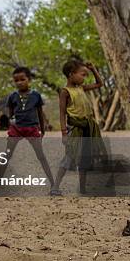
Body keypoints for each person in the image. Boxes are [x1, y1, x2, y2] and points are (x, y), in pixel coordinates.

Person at [51, 60, 105, 195]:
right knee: (69, 157)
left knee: (84, 159)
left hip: (87, 127)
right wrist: (63, 133)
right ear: (71, 74)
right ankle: (55, 187)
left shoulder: (82, 88)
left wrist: (93, 69)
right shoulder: (65, 92)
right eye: (82, 74)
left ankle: (83, 189)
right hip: (75, 129)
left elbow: (100, 84)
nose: (84, 78)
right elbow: (62, 113)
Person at [0, 67, 54, 189]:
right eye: (16, 80)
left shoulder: (36, 96)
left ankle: (53, 183)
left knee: (41, 156)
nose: (19, 82)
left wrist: (42, 130)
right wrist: (10, 127)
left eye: (22, 79)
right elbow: (11, 113)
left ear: (29, 80)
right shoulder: (12, 96)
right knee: (7, 154)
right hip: (16, 129)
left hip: (32, 128)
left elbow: (40, 113)